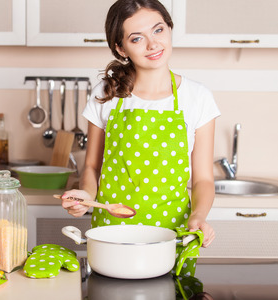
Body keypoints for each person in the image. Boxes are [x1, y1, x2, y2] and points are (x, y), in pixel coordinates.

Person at [60, 0, 219, 276]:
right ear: (121, 48)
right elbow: (91, 168)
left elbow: (203, 179)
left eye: (158, 30)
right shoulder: (106, 93)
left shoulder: (198, 97)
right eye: (137, 38)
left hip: (173, 236)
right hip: (111, 237)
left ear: (169, 28)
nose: (152, 44)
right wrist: (85, 196)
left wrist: (198, 217)